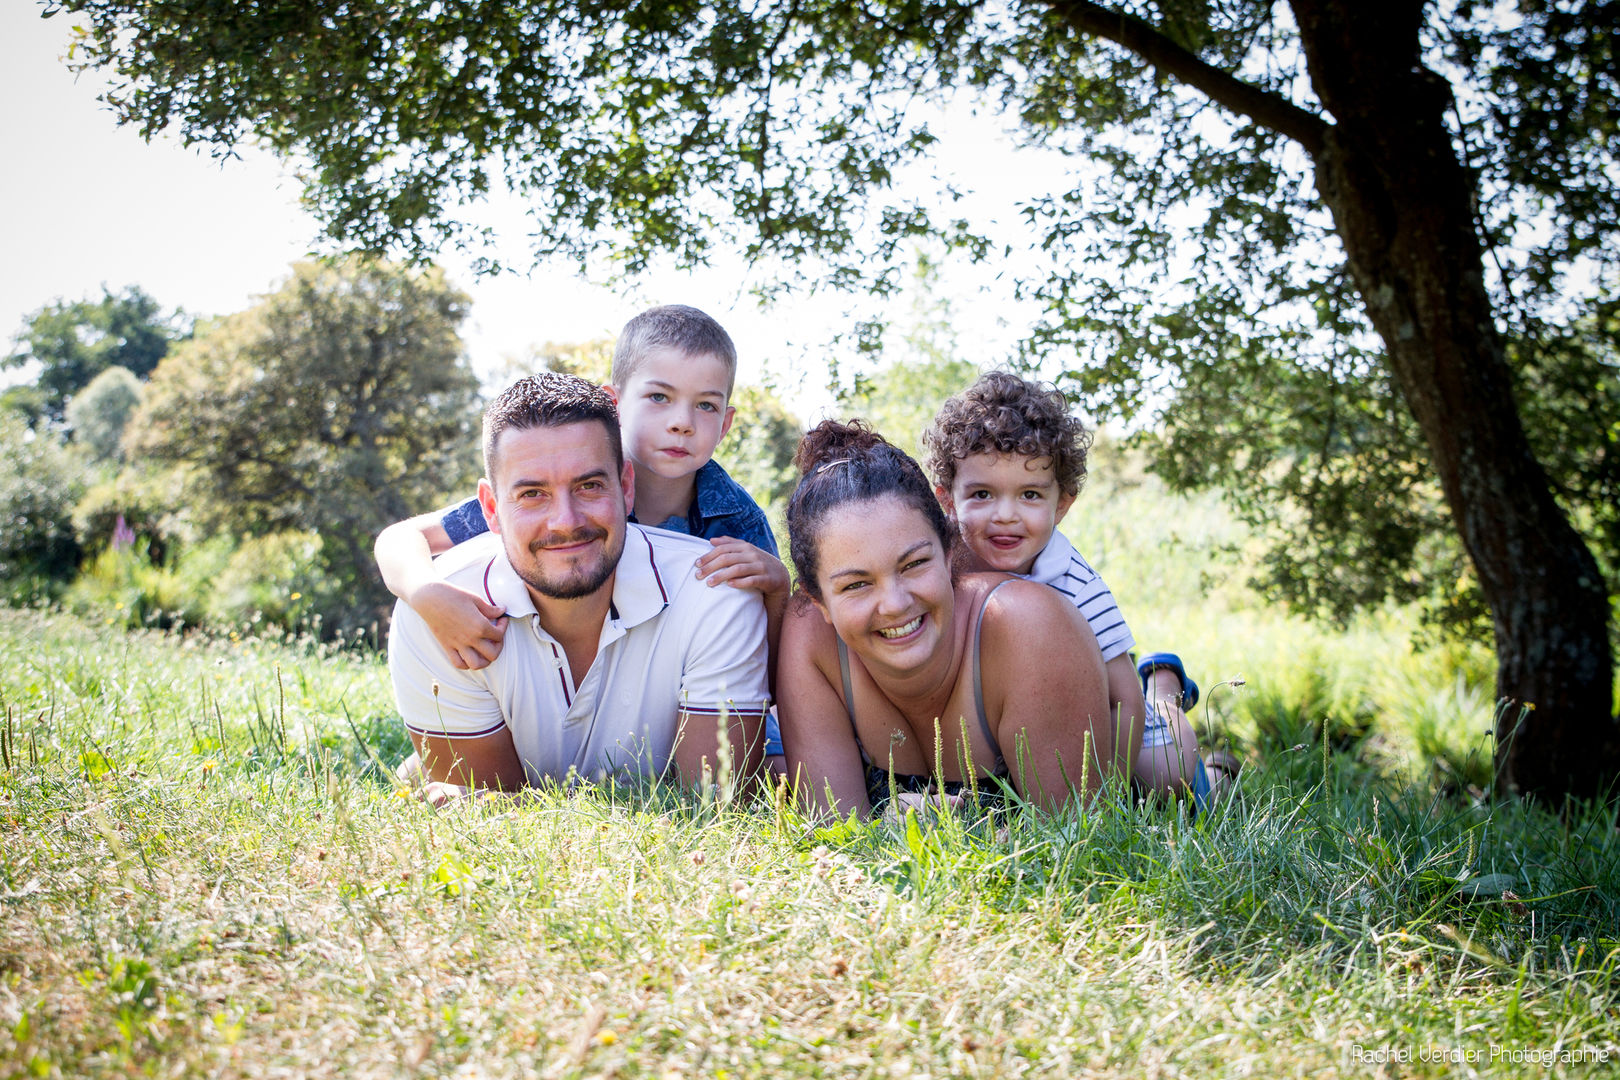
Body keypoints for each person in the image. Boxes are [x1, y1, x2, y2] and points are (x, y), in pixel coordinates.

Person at [375, 304, 791, 760]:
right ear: (615, 404)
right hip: (557, 687)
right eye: (659, 398)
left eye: (705, 405)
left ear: (726, 423)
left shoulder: (735, 516)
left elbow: (763, 656)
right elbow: (400, 537)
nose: (682, 421)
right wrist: (424, 592)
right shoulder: (551, 482)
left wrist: (777, 587)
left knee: (775, 770)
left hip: (687, 696)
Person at [922, 371, 1236, 807]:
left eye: (1030, 495)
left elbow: (1122, 700)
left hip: (1126, 723)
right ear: (947, 499)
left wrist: (1109, 795)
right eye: (982, 494)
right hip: (1033, 709)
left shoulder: (1074, 583)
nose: (1006, 515)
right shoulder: (939, 565)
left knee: (1167, 776)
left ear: (1062, 503)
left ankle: (1168, 697)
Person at [776, 420, 1116, 819]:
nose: (895, 604)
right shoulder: (809, 634)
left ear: (950, 553)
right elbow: (831, 833)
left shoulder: (1030, 625)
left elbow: (1077, 840)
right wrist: (887, 829)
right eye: (856, 585)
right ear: (818, 601)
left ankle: (1167, 694)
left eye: (915, 564)